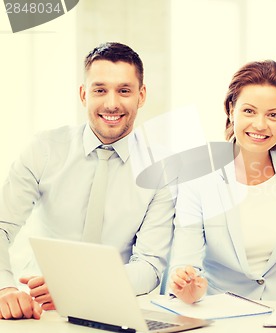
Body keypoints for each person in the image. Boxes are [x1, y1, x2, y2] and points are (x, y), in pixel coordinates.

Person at [0, 42, 177, 320]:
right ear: (84, 95)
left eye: (124, 91)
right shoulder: (44, 149)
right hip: (36, 308)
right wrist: (5, 288)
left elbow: (150, 267)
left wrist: (78, 286)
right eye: (100, 90)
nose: (111, 103)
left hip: (113, 310)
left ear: (141, 96)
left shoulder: (162, 169)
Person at [168, 60, 276, 304]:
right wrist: (186, 285)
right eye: (249, 111)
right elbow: (186, 257)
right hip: (222, 311)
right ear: (230, 109)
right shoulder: (198, 174)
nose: (260, 124)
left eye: (273, 115)